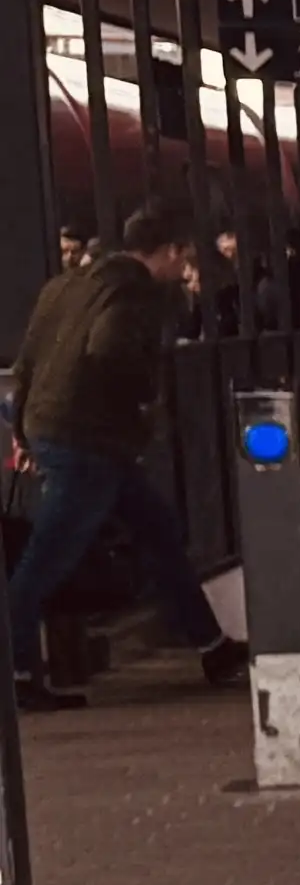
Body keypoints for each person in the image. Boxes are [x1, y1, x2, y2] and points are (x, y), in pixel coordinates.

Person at [5, 204, 240, 710]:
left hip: (59, 432)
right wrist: (143, 397)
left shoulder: (65, 284)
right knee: (42, 562)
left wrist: (22, 428)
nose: (186, 270)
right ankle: (19, 675)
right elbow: (110, 349)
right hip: (86, 442)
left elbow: (26, 362)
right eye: (185, 258)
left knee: (158, 530)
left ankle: (212, 646)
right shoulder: (136, 292)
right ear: (171, 251)